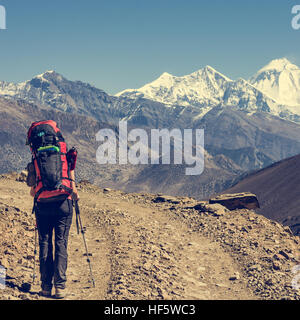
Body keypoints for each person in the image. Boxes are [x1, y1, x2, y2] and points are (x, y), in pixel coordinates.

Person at [27, 121, 79, 299]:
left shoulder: (36, 156)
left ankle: (45, 287)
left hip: (43, 204)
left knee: (45, 243)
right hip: (64, 201)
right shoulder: (63, 154)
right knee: (61, 242)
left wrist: (37, 189)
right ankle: (60, 288)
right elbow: (72, 180)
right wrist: (74, 193)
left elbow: (32, 189)